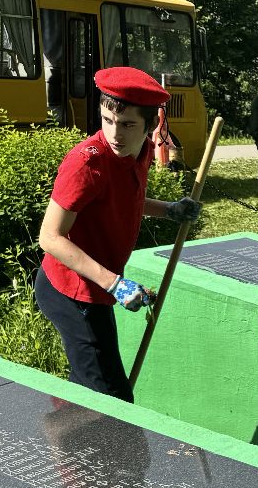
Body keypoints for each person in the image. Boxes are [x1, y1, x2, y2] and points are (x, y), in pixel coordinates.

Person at [35, 67, 201, 403]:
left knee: (89, 385)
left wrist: (169, 209)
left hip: (96, 290)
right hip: (72, 291)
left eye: (127, 124)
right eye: (107, 120)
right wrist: (114, 283)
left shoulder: (140, 151)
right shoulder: (87, 164)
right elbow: (50, 237)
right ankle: (76, 431)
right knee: (112, 400)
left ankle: (61, 428)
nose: (115, 134)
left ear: (151, 125)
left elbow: (124, 200)